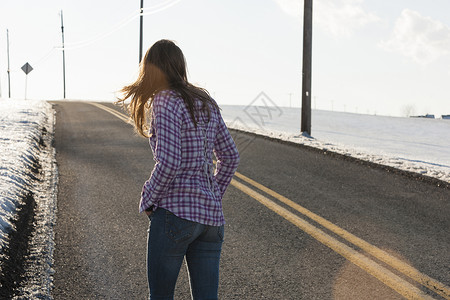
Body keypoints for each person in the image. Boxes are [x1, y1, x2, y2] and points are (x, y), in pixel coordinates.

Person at [117, 39, 240, 300]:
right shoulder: (205, 100)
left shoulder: (165, 100)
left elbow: (171, 161)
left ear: (150, 69)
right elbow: (230, 156)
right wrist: (212, 194)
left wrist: (148, 197)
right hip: (211, 220)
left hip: (175, 214)